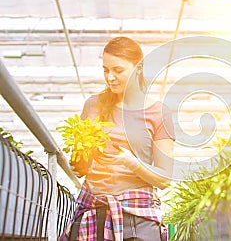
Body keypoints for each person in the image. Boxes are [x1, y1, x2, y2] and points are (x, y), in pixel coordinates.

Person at [61, 36, 175, 241]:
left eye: (118, 70)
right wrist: (80, 158)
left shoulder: (159, 113)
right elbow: (82, 168)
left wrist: (132, 163)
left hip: (138, 218)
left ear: (138, 68)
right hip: (94, 210)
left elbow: (164, 179)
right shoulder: (93, 106)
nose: (110, 77)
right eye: (105, 69)